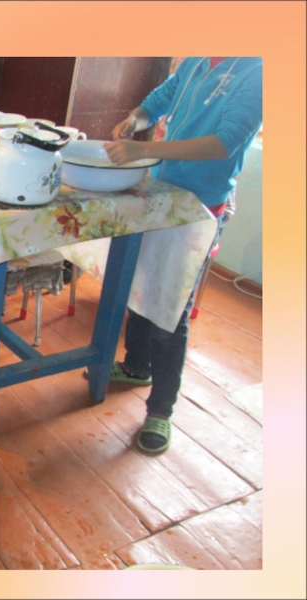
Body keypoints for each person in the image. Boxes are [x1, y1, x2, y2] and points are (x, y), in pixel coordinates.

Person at [96, 57, 262, 454]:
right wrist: (135, 119)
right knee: (142, 284)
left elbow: (224, 142)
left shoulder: (256, 71)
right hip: (161, 192)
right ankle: (137, 365)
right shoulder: (195, 62)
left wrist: (144, 147)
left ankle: (161, 410)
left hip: (200, 205)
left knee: (171, 308)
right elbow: (158, 100)